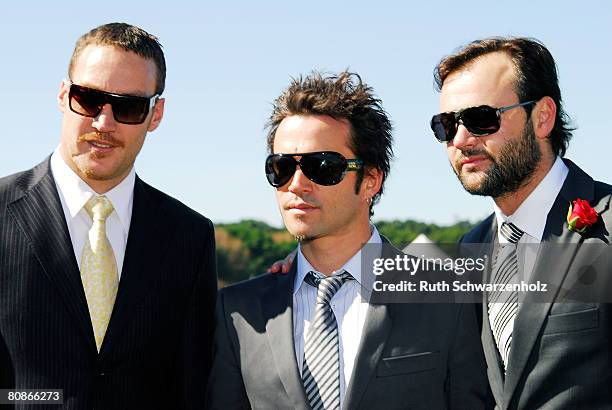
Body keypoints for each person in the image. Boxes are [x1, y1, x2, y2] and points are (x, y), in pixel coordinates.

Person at [206, 71, 488, 409]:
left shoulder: (449, 298)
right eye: (281, 167)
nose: (297, 184)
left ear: (370, 180)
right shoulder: (238, 312)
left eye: (322, 166)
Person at [0, 23, 217, 409]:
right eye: (89, 99)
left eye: (129, 106)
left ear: (156, 114)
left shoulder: (191, 235)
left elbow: (192, 385)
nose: (104, 122)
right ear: (64, 95)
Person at [431, 37, 612, 409]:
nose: (461, 140)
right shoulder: (469, 248)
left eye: (481, 118)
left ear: (542, 117)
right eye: (446, 125)